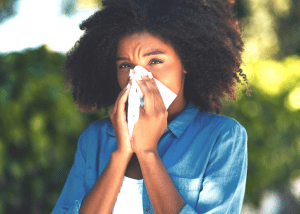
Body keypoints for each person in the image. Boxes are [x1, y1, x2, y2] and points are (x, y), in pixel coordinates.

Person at [51, 0, 252, 213]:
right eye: (126, 66)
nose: (138, 77)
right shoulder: (95, 139)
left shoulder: (222, 137)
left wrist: (147, 152)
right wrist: (121, 154)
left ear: (186, 62)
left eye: (155, 61)